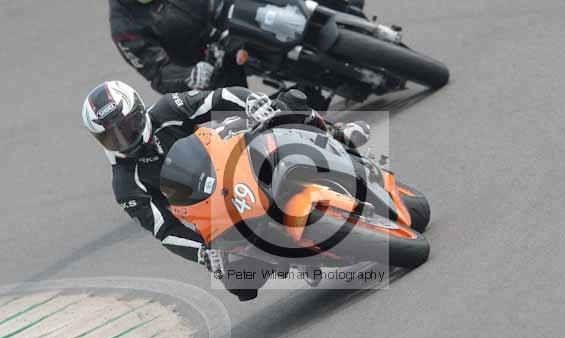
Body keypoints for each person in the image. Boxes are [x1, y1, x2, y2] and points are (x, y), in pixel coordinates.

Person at [81, 81, 369, 300]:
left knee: (286, 102)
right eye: (111, 137)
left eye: (126, 126)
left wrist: (252, 103)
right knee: (239, 283)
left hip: (232, 157)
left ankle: (335, 134)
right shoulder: (126, 184)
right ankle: (292, 256)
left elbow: (217, 98)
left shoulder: (167, 110)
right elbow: (165, 230)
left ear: (139, 110)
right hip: (215, 214)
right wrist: (203, 253)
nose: (123, 138)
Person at [109, 0, 246, 94]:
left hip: (229, 24)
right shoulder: (123, 28)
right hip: (204, 68)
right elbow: (158, 73)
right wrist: (190, 75)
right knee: (234, 119)